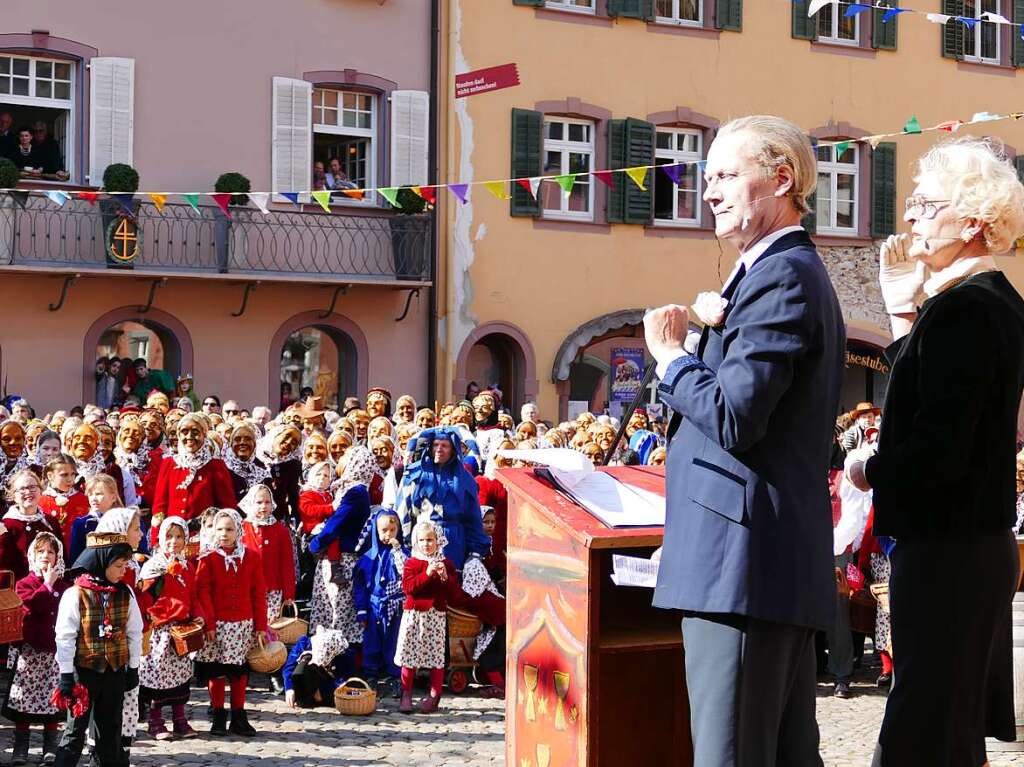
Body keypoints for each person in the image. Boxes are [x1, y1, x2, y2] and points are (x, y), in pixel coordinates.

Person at [645, 115, 844, 767]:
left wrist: (673, 357)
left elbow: (735, 416)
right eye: (706, 177)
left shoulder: (781, 273)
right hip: (751, 563)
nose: (709, 190)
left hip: (743, 568)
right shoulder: (767, 271)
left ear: (782, 177)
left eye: (727, 175)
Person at [844, 137, 1024, 767]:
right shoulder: (983, 302)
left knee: (924, 734)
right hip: (967, 545)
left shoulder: (965, 309)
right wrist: (902, 315)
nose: (911, 216)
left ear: (974, 221)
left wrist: (868, 469)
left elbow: (936, 448)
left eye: (927, 204)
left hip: (949, 547)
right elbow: (933, 398)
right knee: (943, 729)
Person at [53, 530, 143, 767]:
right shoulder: (74, 595)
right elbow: (65, 636)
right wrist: (65, 675)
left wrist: (133, 668)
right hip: (84, 673)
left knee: (110, 731)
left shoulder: (126, 593)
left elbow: (135, 632)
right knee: (75, 732)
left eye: (126, 565)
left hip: (114, 672)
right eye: (119, 565)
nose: (125, 570)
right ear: (101, 563)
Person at [194, 508, 267, 738]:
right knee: (216, 670)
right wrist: (209, 622)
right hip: (216, 625)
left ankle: (238, 715)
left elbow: (258, 593)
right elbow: (202, 591)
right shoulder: (207, 557)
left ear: (238, 531)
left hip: (241, 624)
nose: (224, 534)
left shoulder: (252, 557)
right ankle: (217, 715)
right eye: (219, 529)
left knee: (238, 671)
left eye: (229, 529)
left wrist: (260, 626)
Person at [2, 532, 69, 766]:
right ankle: (21, 747)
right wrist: (46, 586)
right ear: (33, 555)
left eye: (51, 552)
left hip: (53, 654)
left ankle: (50, 746)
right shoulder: (24, 585)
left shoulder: (64, 586)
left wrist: (53, 585)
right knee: (24, 701)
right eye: (41, 552)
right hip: (29, 653)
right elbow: (31, 610)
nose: (46, 556)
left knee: (52, 700)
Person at [138, 516, 201, 741]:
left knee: (180, 677)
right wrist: (160, 617)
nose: (174, 541)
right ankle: (155, 722)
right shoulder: (153, 567)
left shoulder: (187, 566)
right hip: (161, 631)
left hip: (181, 631)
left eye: (179, 537)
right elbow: (145, 599)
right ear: (160, 538)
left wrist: (197, 616)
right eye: (169, 536)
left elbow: (193, 595)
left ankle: (180, 719)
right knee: (158, 677)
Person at [395, 427, 491, 570]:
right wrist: (405, 543)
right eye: (435, 445)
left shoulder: (465, 479)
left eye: (444, 446)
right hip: (422, 538)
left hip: (453, 541)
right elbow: (403, 511)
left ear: (453, 450)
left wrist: (475, 552)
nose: (439, 449)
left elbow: (474, 517)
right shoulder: (414, 474)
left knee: (450, 584)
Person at [307, 448, 374, 645]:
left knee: (336, 611)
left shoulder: (356, 492)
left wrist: (315, 543)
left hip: (341, 559)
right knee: (332, 610)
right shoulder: (353, 489)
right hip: (339, 556)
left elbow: (336, 523)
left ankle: (335, 659)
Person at [94, 509, 146, 754]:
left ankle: (120, 749)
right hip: (107, 648)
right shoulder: (108, 567)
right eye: (136, 529)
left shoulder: (133, 563)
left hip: (128, 645)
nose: (141, 534)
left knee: (127, 701)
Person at [395, 519, 458, 714]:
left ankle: (434, 694)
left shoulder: (446, 563)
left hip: (435, 616)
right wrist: (427, 574)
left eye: (430, 540)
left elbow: (453, 591)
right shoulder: (412, 563)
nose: (426, 544)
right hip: (414, 615)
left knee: (436, 656)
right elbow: (408, 588)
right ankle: (406, 693)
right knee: (409, 653)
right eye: (422, 540)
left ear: (438, 540)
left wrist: (445, 577)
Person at [239, 484, 295, 694]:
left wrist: (289, 594)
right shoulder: (242, 528)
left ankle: (273, 672)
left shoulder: (280, 530)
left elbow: (287, 564)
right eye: (258, 502)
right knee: (246, 630)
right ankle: (243, 673)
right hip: (247, 589)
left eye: (266, 502)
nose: (263, 507)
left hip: (271, 590)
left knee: (270, 631)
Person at [353, 508, 407, 694]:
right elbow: (360, 585)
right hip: (374, 605)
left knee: (395, 642)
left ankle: (395, 677)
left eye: (392, 530)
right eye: (383, 530)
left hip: (396, 606)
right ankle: (371, 675)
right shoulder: (368, 557)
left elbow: (407, 573)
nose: (388, 535)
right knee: (372, 641)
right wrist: (361, 609)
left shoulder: (402, 554)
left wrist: (399, 550)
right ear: (376, 530)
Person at [150, 414, 236, 528]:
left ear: (204, 434)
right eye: (184, 432)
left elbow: (227, 507)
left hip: (204, 535)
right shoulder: (168, 463)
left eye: (195, 432)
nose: (189, 436)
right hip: (173, 537)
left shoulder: (215, 466)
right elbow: (159, 506)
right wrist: (157, 539)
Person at [3, 470, 63, 580]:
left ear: (40, 491)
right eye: (22, 489)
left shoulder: (51, 522)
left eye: (32, 487)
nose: (28, 492)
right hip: (20, 590)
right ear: (13, 496)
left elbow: (61, 558)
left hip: (52, 585)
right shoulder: (6, 526)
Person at [38, 455, 89, 556]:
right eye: (64, 475)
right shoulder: (40, 500)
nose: (70, 479)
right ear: (50, 476)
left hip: (78, 553)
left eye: (73, 474)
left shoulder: (83, 499)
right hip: (49, 555)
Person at [224, 422, 271, 502]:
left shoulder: (262, 469)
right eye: (237, 439)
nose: (242, 443)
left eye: (248, 439)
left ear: (255, 444)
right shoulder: (222, 469)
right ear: (231, 444)